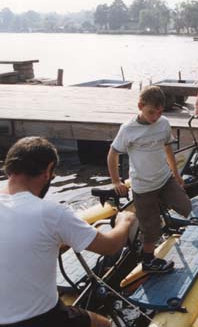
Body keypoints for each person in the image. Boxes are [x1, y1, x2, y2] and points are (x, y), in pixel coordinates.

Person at [0, 136, 136, 327]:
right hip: (39, 318)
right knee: (103, 324)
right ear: (48, 171)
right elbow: (110, 246)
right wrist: (125, 221)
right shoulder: (51, 213)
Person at [108, 86, 192, 274]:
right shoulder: (128, 129)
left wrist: (177, 176)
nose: (155, 117)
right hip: (143, 186)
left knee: (185, 207)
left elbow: (168, 149)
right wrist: (116, 181)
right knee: (151, 229)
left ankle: (156, 212)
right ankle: (148, 260)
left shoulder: (163, 124)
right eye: (151, 112)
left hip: (164, 179)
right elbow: (112, 154)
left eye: (159, 112)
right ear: (140, 106)